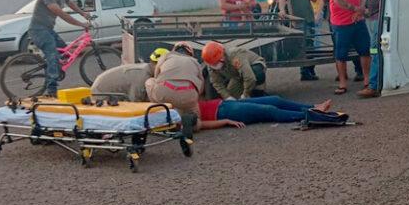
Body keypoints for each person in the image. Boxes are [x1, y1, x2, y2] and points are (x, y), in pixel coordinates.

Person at [29, 0, 91, 97]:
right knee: (53, 55)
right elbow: (62, 14)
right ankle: (51, 89)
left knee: (64, 51)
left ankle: (52, 68)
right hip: (38, 30)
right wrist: (81, 24)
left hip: (48, 29)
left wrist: (83, 13)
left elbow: (71, 3)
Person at [324, 0, 371, 95]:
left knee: (365, 50)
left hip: (358, 20)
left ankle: (367, 79)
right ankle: (343, 82)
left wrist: (361, 8)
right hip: (341, 22)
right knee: (341, 54)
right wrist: (356, 9)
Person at [145, 42, 204, 138]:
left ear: (174, 50)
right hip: (188, 95)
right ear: (190, 53)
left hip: (165, 91)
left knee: (150, 81)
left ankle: (161, 117)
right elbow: (200, 87)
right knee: (196, 119)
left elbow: (157, 77)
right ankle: (192, 122)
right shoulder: (195, 62)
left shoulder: (165, 57)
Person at [323, 0, 364, 83]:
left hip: (354, 18)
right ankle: (342, 76)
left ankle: (360, 71)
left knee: (359, 48)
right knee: (340, 50)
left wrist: (359, 9)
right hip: (337, 20)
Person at [197, 96, 347, 128]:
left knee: (274, 100)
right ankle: (310, 114)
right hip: (222, 113)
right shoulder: (175, 112)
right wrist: (224, 121)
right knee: (269, 110)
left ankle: (313, 105)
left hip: (224, 104)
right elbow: (197, 125)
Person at [279, 0, 319, 81]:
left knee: (310, 44)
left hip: (309, 17)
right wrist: (282, 10)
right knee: (302, 45)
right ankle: (304, 72)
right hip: (298, 20)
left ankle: (311, 70)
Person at [91, 47, 169, 101]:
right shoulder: (142, 76)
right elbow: (135, 101)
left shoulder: (145, 68)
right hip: (100, 95)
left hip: (102, 90)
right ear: (158, 65)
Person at [358, 0, 384, 98]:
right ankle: (376, 82)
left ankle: (374, 85)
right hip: (372, 17)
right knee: (374, 50)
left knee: (375, 50)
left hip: (377, 18)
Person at [201, 41, 267, 100]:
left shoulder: (235, 56)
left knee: (257, 74)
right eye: (212, 65)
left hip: (254, 67)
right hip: (236, 75)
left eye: (215, 63)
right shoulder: (210, 63)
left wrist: (245, 95)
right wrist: (227, 97)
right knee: (231, 96)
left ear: (222, 57)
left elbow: (249, 77)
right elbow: (217, 83)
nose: (213, 67)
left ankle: (258, 93)